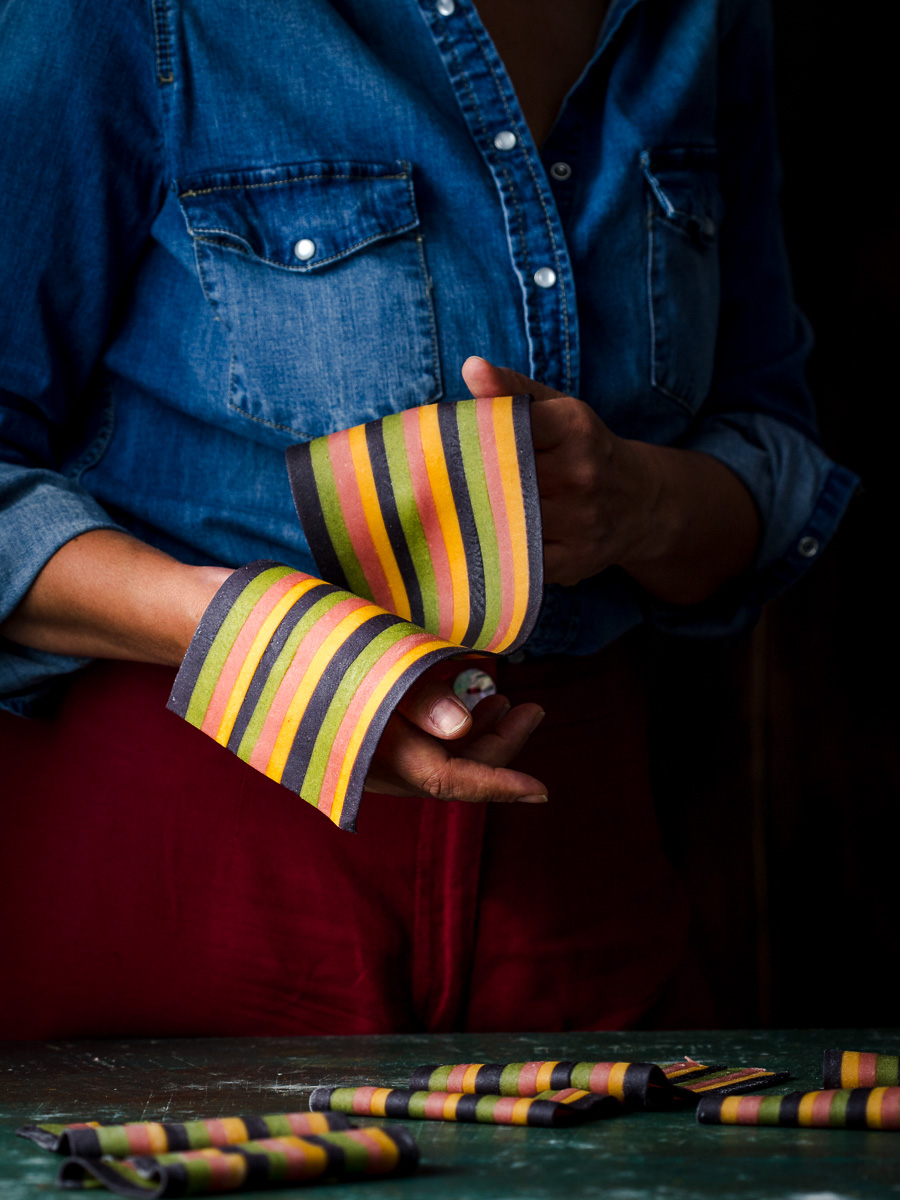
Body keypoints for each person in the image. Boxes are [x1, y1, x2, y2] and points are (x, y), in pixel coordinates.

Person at [0, 0, 856, 1037]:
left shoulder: (709, 17)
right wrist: (246, 632)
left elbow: (770, 442)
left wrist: (638, 503)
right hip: (191, 878)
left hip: (582, 892)